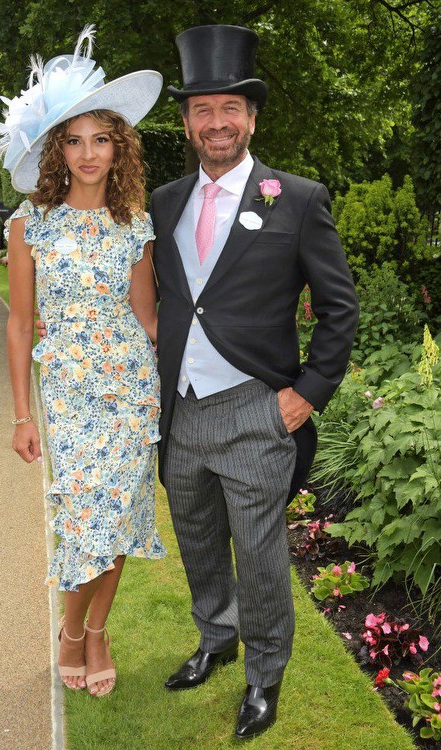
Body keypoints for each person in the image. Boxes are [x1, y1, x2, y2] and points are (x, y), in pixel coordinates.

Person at [148, 25, 359, 740]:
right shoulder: (164, 202)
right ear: (186, 122)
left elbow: (340, 308)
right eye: (203, 110)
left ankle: (265, 676)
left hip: (257, 413)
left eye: (229, 109)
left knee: (263, 561)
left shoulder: (294, 199)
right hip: (181, 412)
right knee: (199, 542)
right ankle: (216, 638)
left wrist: (307, 392)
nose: (217, 123)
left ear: (252, 117)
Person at [0, 26, 166, 697]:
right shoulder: (31, 224)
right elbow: (20, 325)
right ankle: (73, 631)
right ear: (55, 150)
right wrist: (22, 414)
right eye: (73, 140)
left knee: (121, 514)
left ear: (119, 145)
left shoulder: (134, 222)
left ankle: (92, 630)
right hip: (70, 392)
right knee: (83, 515)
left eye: (99, 139)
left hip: (132, 386)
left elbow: (148, 317)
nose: (87, 153)